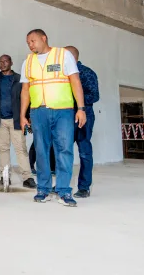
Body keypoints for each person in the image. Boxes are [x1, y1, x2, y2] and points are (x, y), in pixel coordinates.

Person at [20, 29, 86, 207]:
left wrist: (81, 108)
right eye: (28, 42)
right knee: (41, 150)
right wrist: (22, 115)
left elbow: (75, 81)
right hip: (38, 112)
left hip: (63, 111)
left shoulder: (63, 55)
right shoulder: (28, 61)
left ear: (44, 38)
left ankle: (63, 191)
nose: (30, 45)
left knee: (64, 149)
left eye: (33, 40)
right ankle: (43, 189)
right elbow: (25, 90)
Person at [0, 55, 36, 189]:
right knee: (3, 149)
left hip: (17, 119)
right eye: (0, 62)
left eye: (5, 61)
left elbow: (27, 98)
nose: (2, 64)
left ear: (11, 63)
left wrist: (29, 116)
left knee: (21, 148)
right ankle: (5, 177)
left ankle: (27, 177)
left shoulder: (19, 79)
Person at [65, 46, 100, 198]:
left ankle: (84, 187)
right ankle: (62, 184)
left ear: (72, 57)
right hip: (65, 116)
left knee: (84, 151)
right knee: (63, 151)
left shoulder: (87, 72)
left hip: (84, 115)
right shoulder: (61, 75)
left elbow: (94, 95)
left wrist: (76, 99)